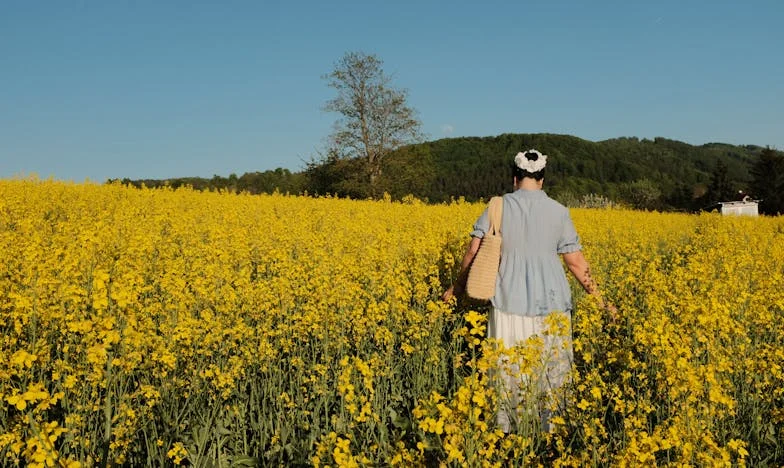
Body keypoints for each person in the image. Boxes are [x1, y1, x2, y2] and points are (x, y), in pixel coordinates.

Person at [441, 148, 615, 432]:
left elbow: (473, 252)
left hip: (508, 301)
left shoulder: (497, 207)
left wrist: (456, 288)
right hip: (553, 306)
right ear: (542, 179)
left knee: (508, 369)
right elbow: (576, 262)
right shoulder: (559, 212)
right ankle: (552, 431)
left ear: (514, 178)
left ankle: (508, 430)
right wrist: (601, 299)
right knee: (551, 370)